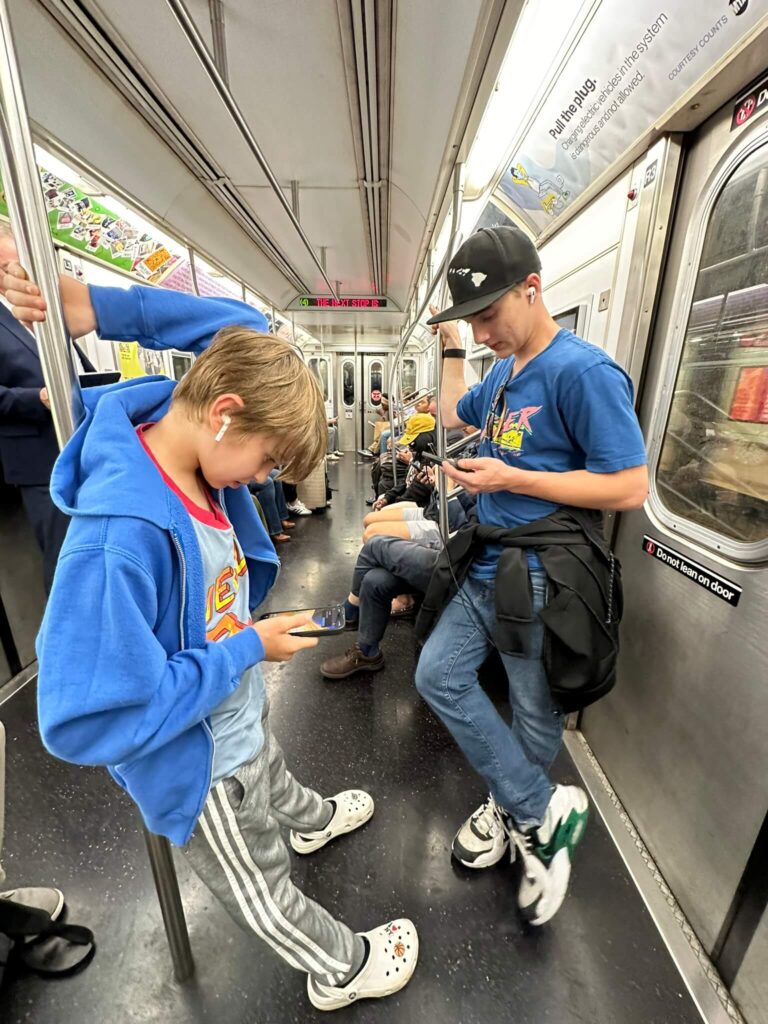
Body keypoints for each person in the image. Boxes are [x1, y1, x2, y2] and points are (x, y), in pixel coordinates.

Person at [5, 263, 418, 1011]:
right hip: (199, 769)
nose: (260, 479)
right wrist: (249, 649)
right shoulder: (119, 538)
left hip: (230, 713)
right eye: (265, 463)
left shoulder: (194, 455)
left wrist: (101, 306)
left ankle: (313, 823)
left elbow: (241, 334)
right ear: (224, 414)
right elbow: (89, 716)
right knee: (256, 879)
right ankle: (338, 965)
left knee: (273, 769)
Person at [415, 225, 648, 925]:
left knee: (533, 707)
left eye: (489, 314)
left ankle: (514, 808)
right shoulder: (502, 378)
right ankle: (542, 808)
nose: (483, 330)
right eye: (472, 321)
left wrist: (513, 474)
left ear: (532, 288)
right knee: (437, 674)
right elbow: (454, 405)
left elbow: (630, 485)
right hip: (488, 560)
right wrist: (452, 349)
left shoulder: (581, 372)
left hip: (543, 571)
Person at [0, 225, 96, 592]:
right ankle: (70, 641)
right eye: (8, 268)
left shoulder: (45, 309)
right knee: (63, 555)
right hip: (38, 459)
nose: (18, 276)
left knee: (89, 544)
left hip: (79, 444)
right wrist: (37, 397)